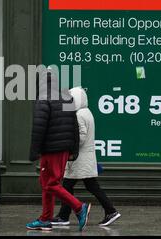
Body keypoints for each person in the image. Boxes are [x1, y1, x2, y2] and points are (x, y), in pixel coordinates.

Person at [26, 69, 91, 231]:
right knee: (47, 183)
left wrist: (34, 151)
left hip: (51, 149)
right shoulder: (66, 97)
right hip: (63, 150)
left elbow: (39, 128)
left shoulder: (43, 99)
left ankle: (78, 207)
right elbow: (74, 127)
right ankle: (45, 219)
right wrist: (73, 150)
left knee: (50, 183)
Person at [51, 86, 121, 227]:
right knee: (81, 186)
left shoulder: (78, 115)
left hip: (78, 159)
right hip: (84, 158)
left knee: (70, 186)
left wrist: (68, 146)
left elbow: (80, 137)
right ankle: (64, 215)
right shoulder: (87, 112)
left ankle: (110, 211)